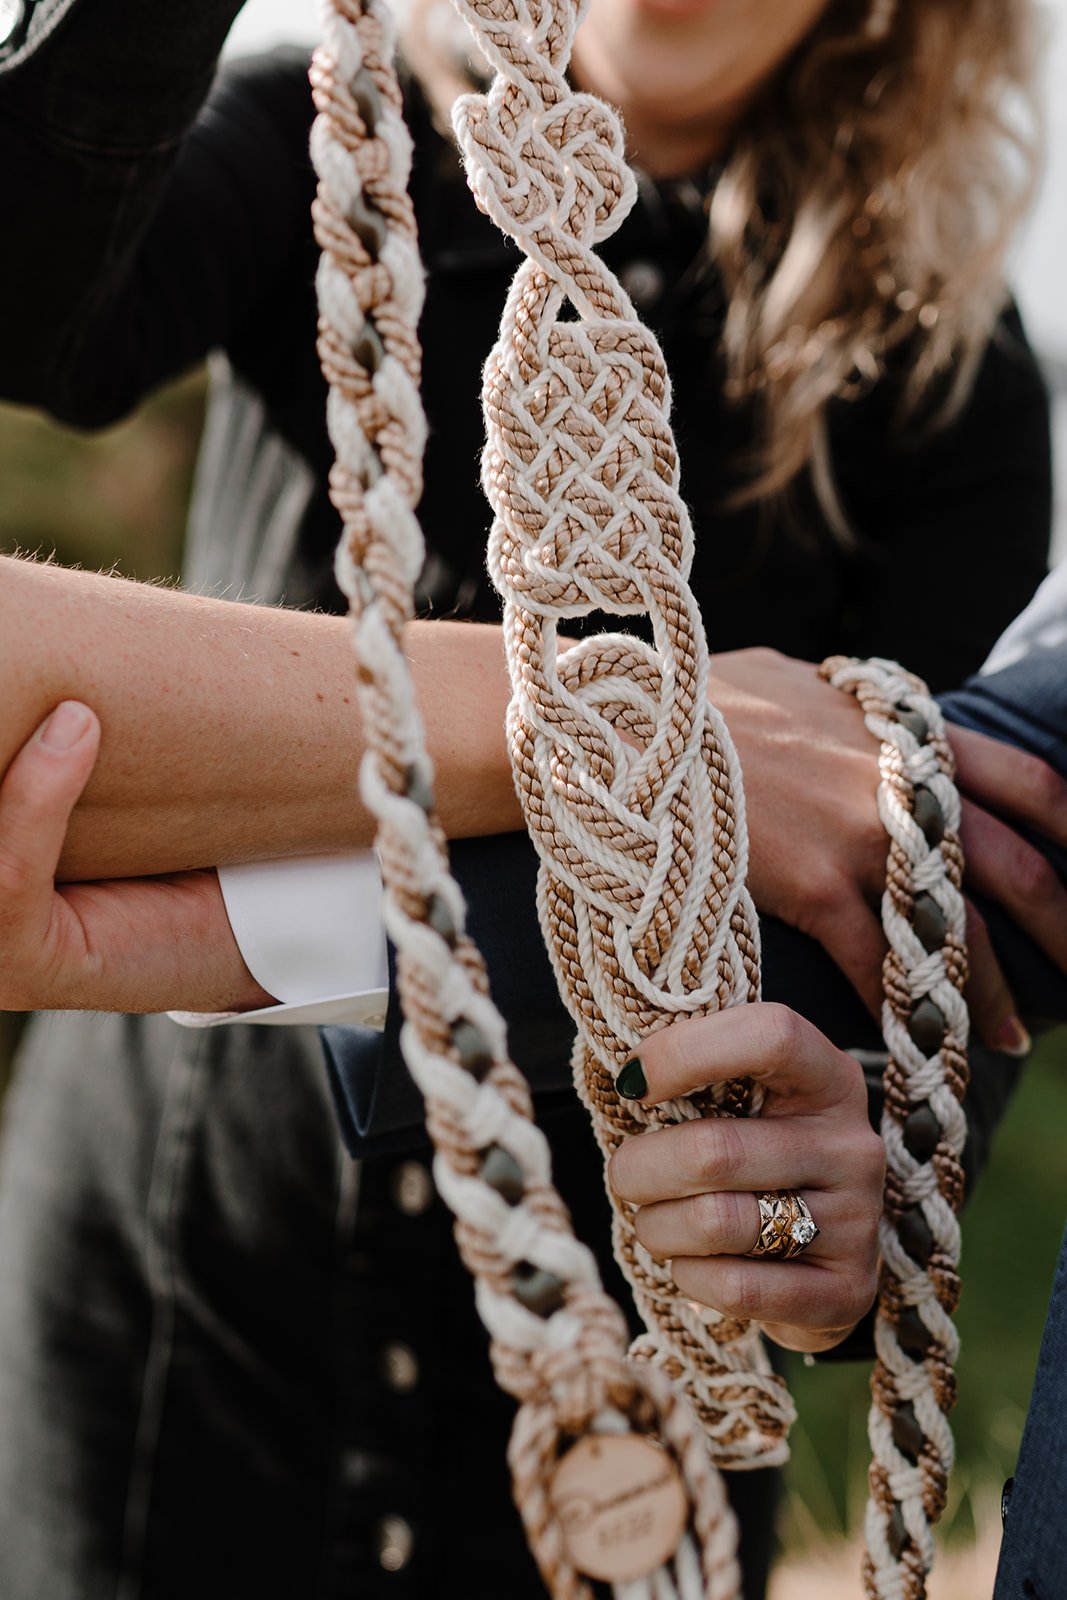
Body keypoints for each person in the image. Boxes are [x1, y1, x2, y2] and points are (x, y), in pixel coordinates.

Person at [0, 0, 1061, 1595]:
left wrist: (823, 1240)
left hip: (637, 1415)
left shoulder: (944, 377)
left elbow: (910, 970)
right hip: (168, 1339)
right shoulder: (325, 138)